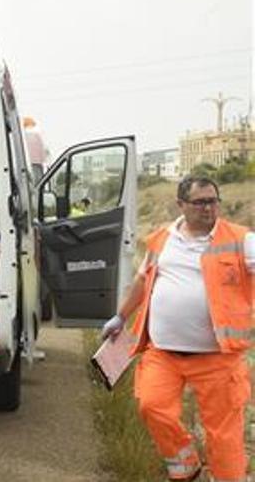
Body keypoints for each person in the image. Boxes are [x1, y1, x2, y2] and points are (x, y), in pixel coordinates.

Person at [101, 175, 254, 482]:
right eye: (200, 202)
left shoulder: (241, 239)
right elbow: (144, 280)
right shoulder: (162, 237)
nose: (209, 208)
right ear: (181, 204)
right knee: (151, 406)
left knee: (224, 437)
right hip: (164, 353)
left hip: (217, 358)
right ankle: (186, 467)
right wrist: (120, 317)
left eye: (213, 201)